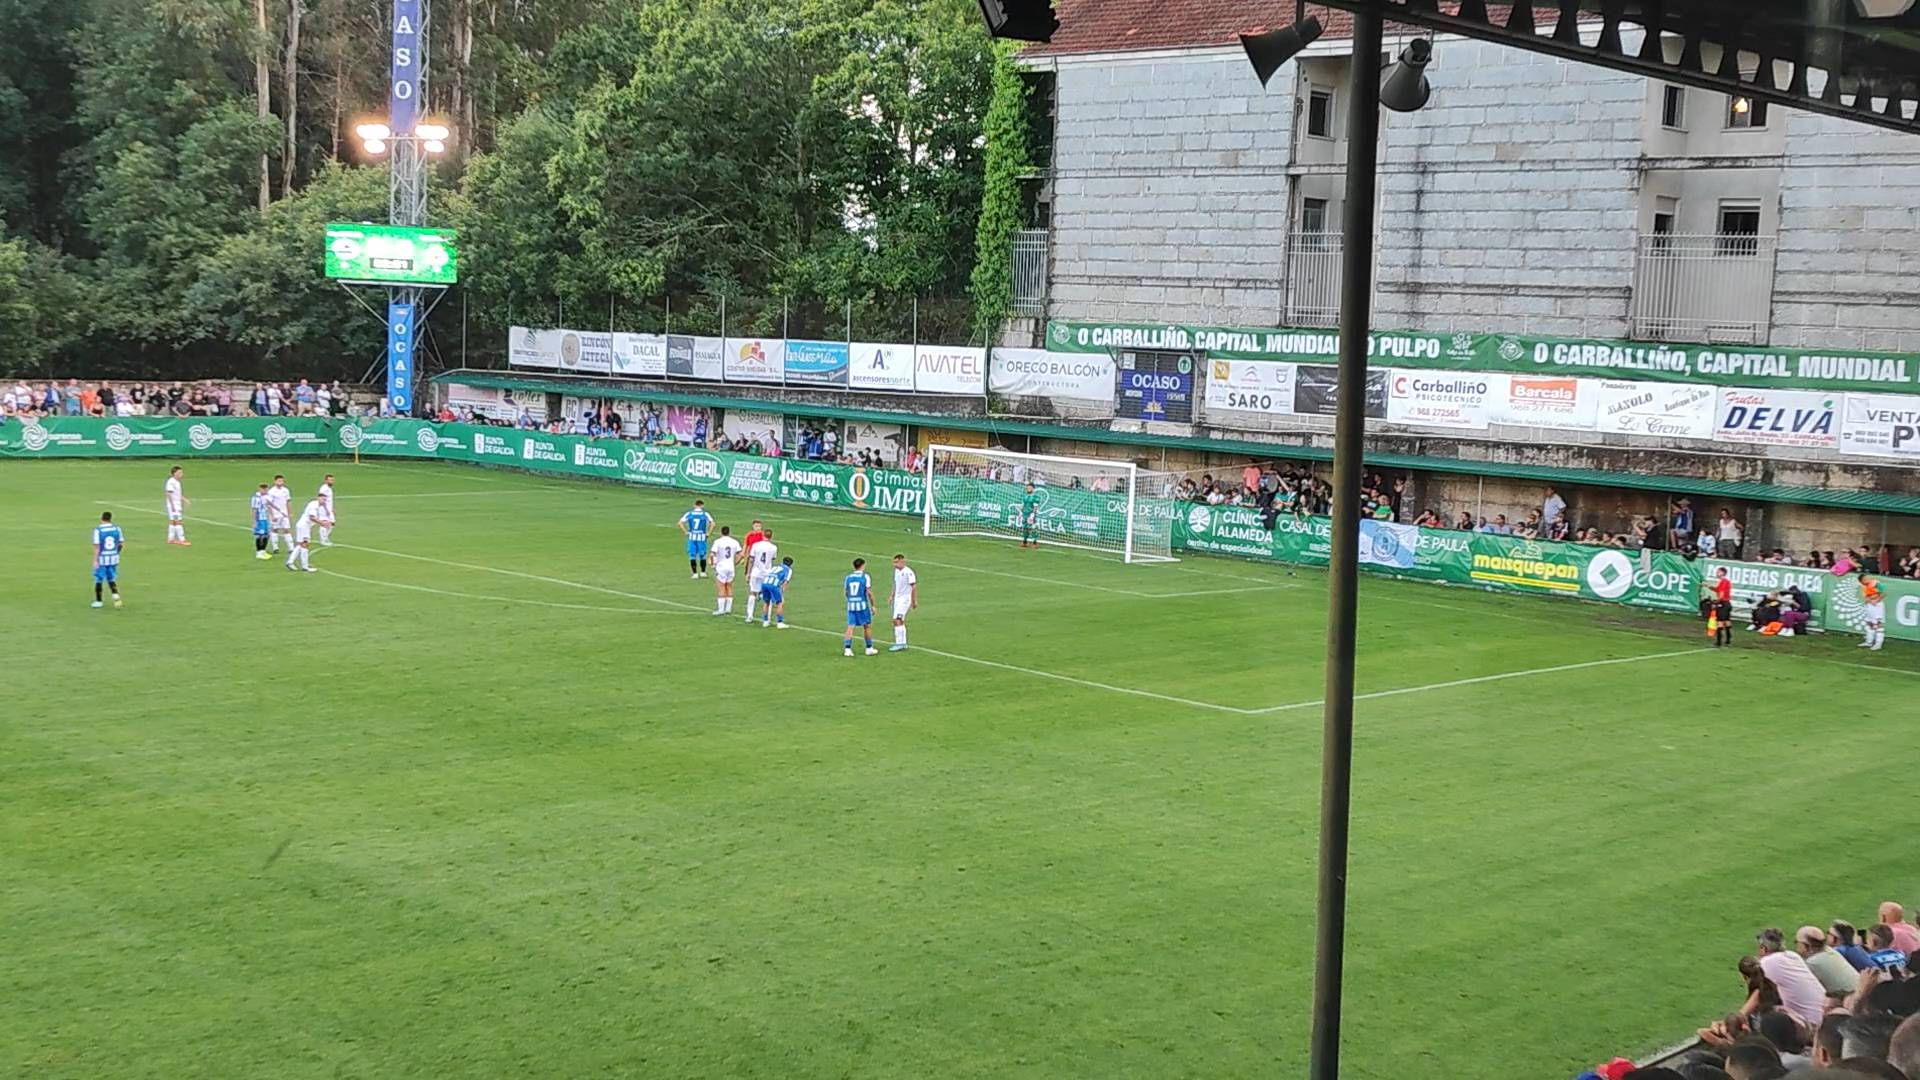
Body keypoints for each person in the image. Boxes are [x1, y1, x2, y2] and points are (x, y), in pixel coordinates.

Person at [1754, 927, 1828, 1028]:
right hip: (1826, 1012)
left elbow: (1755, 995)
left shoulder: (1766, 963)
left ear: (1763, 948)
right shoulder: (1793, 955)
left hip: (1812, 1024)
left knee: (1762, 1018)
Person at [1795, 926, 1862, 997]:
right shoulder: (1830, 951)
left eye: (1797, 942)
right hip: (1862, 993)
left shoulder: (1812, 964)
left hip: (1853, 1002)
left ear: (1806, 946)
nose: (1796, 946)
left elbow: (1802, 990)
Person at [842, 558, 877, 657]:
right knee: (866, 626)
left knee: (850, 626)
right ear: (862, 565)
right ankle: (869, 648)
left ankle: (847, 649)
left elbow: (846, 592)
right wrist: (873, 605)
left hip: (851, 605)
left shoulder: (848, 577)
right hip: (862, 605)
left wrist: (850, 600)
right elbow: (869, 592)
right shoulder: (865, 576)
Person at [91, 512, 125, 609]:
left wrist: (95, 560)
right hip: (113, 558)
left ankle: (98, 601)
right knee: (111, 578)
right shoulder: (117, 528)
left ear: (101, 518)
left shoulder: (98, 530)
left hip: (102, 558)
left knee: (99, 579)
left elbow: (97, 547)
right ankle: (116, 596)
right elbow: (120, 544)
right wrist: (116, 553)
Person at [744, 526, 776, 624]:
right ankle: (767, 618)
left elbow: (751, 559)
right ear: (771, 537)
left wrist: (748, 573)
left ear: (763, 535)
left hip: (756, 572)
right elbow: (772, 559)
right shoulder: (774, 547)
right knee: (768, 596)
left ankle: (749, 616)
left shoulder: (756, 545)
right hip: (767, 573)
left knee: (752, 592)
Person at [709, 526, 741, 616]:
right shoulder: (734, 541)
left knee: (721, 587)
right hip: (731, 566)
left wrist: (713, 565)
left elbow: (712, 554)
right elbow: (741, 554)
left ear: (721, 532)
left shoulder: (718, 542)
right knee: (729, 586)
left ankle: (721, 609)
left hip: (721, 566)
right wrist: (735, 563)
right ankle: (728, 609)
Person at [889, 553, 917, 652]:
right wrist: (892, 595)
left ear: (902, 561)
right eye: (894, 562)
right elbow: (895, 584)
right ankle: (903, 642)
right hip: (898, 599)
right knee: (899, 620)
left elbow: (913, 587)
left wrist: (914, 601)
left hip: (905, 599)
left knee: (897, 620)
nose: (894, 564)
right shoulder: (897, 571)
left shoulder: (908, 572)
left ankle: (899, 643)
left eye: (896, 562)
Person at [287, 493, 323, 572]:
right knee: (305, 545)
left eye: (324, 499)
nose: (323, 501)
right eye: (322, 499)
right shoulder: (315, 506)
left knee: (301, 545)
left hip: (301, 525)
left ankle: (290, 562)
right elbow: (312, 517)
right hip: (304, 526)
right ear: (318, 498)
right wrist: (322, 523)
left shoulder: (313, 504)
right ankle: (305, 566)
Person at [679, 500, 713, 579]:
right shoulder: (705, 514)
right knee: (702, 555)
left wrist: (686, 532)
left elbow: (680, 523)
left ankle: (694, 573)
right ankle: (703, 572)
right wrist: (708, 533)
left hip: (692, 537)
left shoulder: (689, 513)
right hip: (701, 537)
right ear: (702, 505)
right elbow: (713, 524)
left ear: (694, 505)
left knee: (692, 555)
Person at [759, 556, 793, 629]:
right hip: (773, 585)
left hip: (764, 583)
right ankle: (779, 622)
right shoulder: (788, 570)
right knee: (779, 602)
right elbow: (785, 582)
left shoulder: (775, 567)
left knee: (766, 602)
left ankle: (765, 621)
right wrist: (782, 591)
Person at [265, 475, 293, 556]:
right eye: (279, 481)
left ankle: (291, 548)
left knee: (287, 529)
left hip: (284, 514)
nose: (280, 482)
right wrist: (272, 515)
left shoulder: (286, 490)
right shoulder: (271, 491)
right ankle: (275, 547)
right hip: (275, 514)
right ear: (275, 481)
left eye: (282, 481)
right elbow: (269, 504)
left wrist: (290, 512)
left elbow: (288, 501)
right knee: (275, 529)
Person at [163, 465, 191, 546]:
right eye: (179, 473)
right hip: (174, 506)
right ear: (174, 473)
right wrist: (172, 506)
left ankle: (170, 539)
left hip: (176, 505)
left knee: (173, 522)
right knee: (178, 522)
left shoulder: (177, 482)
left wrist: (185, 500)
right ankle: (182, 539)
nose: (181, 474)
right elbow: (168, 494)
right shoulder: (171, 482)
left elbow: (177, 494)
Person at [1858, 578, 1886, 652]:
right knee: (1870, 623)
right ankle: (1869, 642)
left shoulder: (1876, 583)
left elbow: (1883, 593)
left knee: (1878, 624)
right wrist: (1869, 601)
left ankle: (1878, 644)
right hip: (1869, 605)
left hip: (1877, 605)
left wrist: (1877, 600)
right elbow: (1866, 596)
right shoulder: (1864, 587)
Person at [249, 483, 273, 560]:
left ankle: (263, 550)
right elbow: (254, 510)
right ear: (260, 489)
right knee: (260, 535)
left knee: (267, 534)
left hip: (265, 518)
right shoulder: (256, 498)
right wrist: (254, 521)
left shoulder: (267, 497)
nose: (265, 491)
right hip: (259, 519)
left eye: (266, 489)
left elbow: (269, 507)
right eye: (263, 489)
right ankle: (259, 552)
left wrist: (271, 516)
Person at [316, 474, 337, 547]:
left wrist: (332, 508)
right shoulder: (324, 488)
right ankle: (323, 540)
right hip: (323, 509)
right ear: (325, 480)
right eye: (330, 480)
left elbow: (329, 500)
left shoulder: (329, 488)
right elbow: (321, 499)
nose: (331, 481)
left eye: (332, 480)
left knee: (332, 523)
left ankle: (325, 538)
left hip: (328, 509)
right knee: (325, 524)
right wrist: (326, 509)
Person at [1019, 483, 1039, 549]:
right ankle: (1024, 541)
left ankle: (1034, 542)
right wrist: (1020, 512)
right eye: (1028, 487)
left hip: (1030, 514)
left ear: (1033, 489)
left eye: (1030, 488)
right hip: (1025, 514)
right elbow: (1022, 505)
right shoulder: (1025, 496)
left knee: (1033, 528)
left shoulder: (1035, 497)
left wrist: (1033, 514)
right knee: (1025, 528)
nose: (1029, 489)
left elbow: (1035, 507)